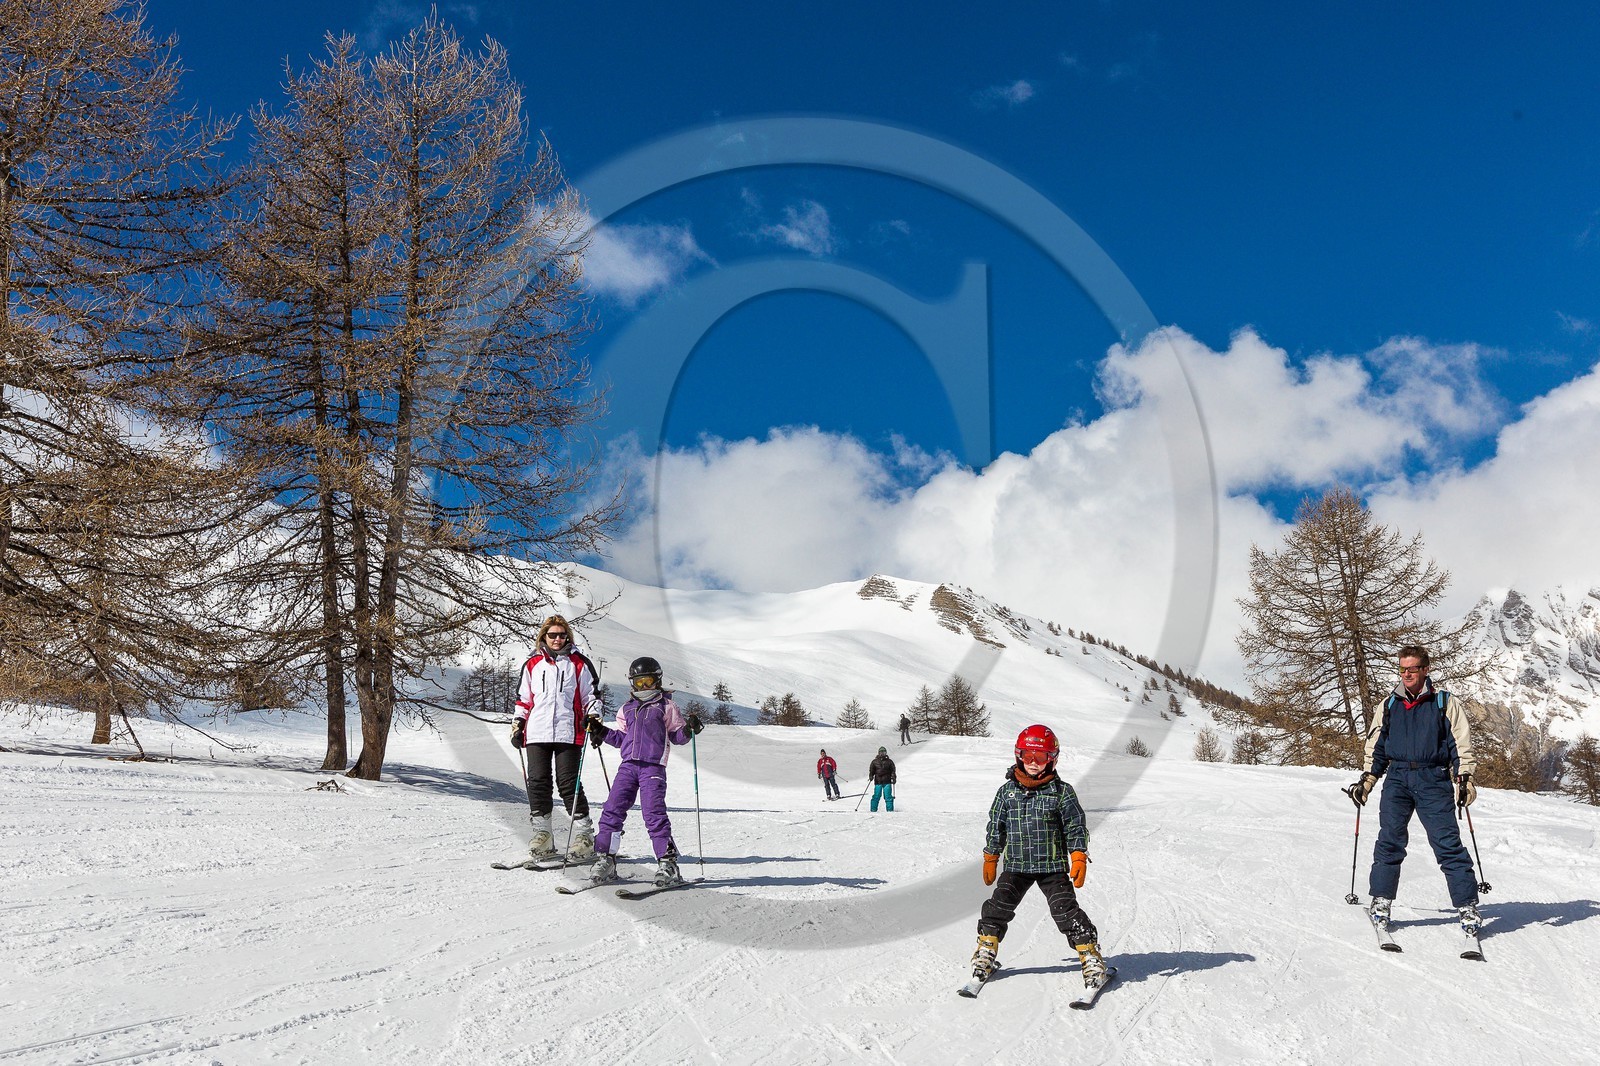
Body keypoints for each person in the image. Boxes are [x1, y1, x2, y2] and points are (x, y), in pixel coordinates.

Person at [1347, 644, 1481, 935]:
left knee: (1447, 843)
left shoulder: (1444, 703)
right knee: (1390, 841)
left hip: (1433, 779)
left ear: (1425, 670)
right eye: (1402, 669)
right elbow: (1377, 746)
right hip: (1397, 778)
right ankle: (1381, 900)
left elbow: (1460, 744)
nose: (1406, 674)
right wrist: (1368, 780)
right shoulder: (1389, 705)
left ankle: (1467, 906)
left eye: (1412, 669)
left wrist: (1465, 779)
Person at [969, 724, 1107, 990]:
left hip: (1051, 867)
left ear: (1052, 759)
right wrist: (991, 855)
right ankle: (985, 952)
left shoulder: (1062, 792)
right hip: (1016, 867)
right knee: (997, 909)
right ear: (1018, 755)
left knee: (1066, 912)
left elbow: (1075, 826)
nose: (1033, 762)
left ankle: (1091, 957)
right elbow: (996, 826)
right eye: (1028, 756)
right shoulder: (1006, 792)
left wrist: (1078, 854)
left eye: (1040, 757)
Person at [585, 655, 704, 886]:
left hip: (653, 767)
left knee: (653, 813)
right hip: (628, 766)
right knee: (612, 809)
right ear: (632, 682)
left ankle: (668, 863)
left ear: (657, 680)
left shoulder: (666, 706)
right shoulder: (627, 708)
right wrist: (601, 731)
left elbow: (676, 736)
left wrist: (689, 730)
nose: (643, 687)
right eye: (638, 682)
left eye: (648, 681)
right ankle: (606, 858)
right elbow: (622, 738)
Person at [509, 615, 598, 861]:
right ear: (544, 637)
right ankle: (543, 835)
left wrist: (593, 717)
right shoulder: (532, 664)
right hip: (537, 731)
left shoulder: (579, 663)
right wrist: (518, 724)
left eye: (561, 635)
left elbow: (591, 696)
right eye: (552, 635)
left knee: (568, 783)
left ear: (567, 636)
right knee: (537, 781)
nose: (557, 639)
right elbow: (523, 700)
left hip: (569, 730)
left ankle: (584, 836)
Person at [868, 746, 896, 812]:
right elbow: (871, 770)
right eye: (881, 752)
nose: (882, 754)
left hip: (887, 781)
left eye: (883, 752)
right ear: (878, 753)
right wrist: (871, 776)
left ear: (886, 753)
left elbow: (893, 770)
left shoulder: (889, 761)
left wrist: (893, 777)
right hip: (878, 781)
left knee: (888, 796)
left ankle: (890, 810)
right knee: (876, 796)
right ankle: (873, 810)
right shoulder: (874, 762)